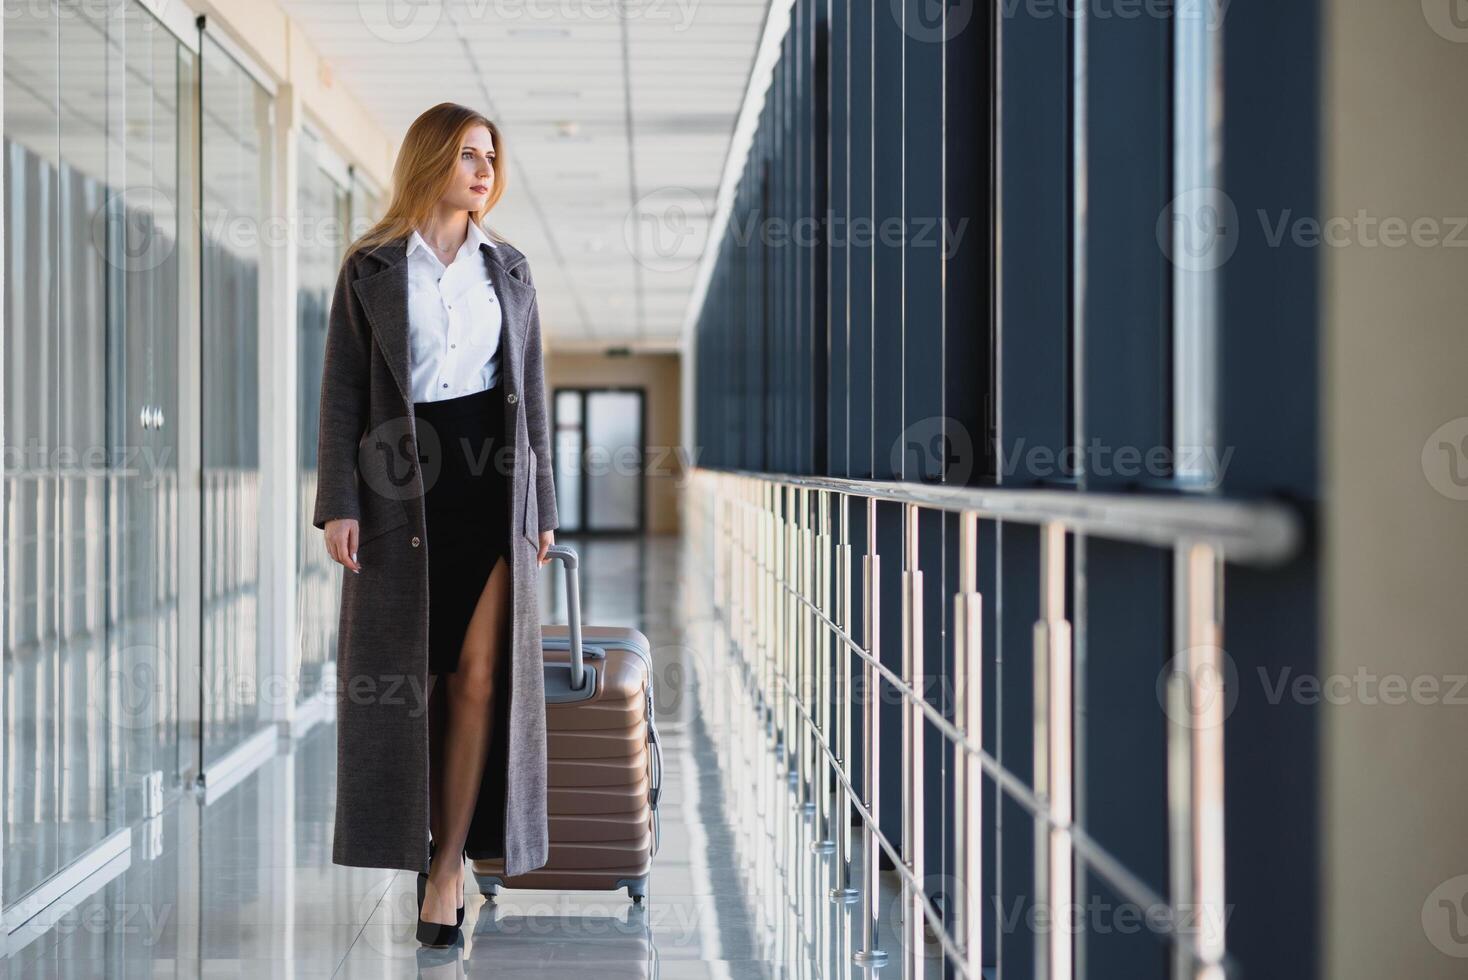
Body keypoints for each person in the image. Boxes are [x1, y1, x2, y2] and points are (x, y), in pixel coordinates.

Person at [313, 102, 560, 949]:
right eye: (466, 155)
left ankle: (449, 864)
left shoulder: (511, 267)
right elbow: (344, 391)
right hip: (399, 484)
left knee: (480, 679)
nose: (484, 171)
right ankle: (419, 838)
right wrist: (339, 502)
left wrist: (544, 511)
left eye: (491, 155)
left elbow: (532, 398)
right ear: (429, 162)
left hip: (493, 485)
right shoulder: (370, 268)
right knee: (412, 679)